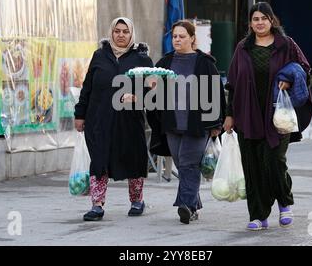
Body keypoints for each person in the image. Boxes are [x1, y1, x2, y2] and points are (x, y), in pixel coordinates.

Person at [223, 2, 312, 231]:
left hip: (278, 117)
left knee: (274, 162)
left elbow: (306, 72)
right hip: (248, 115)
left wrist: (290, 79)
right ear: (251, 23)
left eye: (264, 18)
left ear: (272, 21)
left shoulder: (287, 45)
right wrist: (229, 115)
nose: (260, 22)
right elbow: (232, 85)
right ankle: (258, 215)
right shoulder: (243, 48)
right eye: (255, 19)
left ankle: (284, 203)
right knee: (252, 167)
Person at [74, 17, 153, 221]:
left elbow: (155, 90)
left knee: (133, 157)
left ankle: (137, 200)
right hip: (99, 119)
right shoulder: (100, 56)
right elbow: (87, 87)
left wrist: (138, 97)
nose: (120, 35)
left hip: (130, 119)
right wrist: (80, 114)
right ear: (111, 33)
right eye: (117, 31)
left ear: (131, 34)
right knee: (99, 159)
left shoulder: (142, 59)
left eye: (125, 31)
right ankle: (97, 204)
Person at [153, 20, 226, 224]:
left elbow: (216, 95)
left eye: (182, 36)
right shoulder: (165, 62)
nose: (177, 39)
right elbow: (151, 87)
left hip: (198, 124)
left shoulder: (204, 62)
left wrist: (216, 124)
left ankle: (185, 206)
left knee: (189, 163)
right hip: (172, 124)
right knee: (182, 164)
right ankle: (193, 205)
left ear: (192, 38)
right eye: (174, 36)